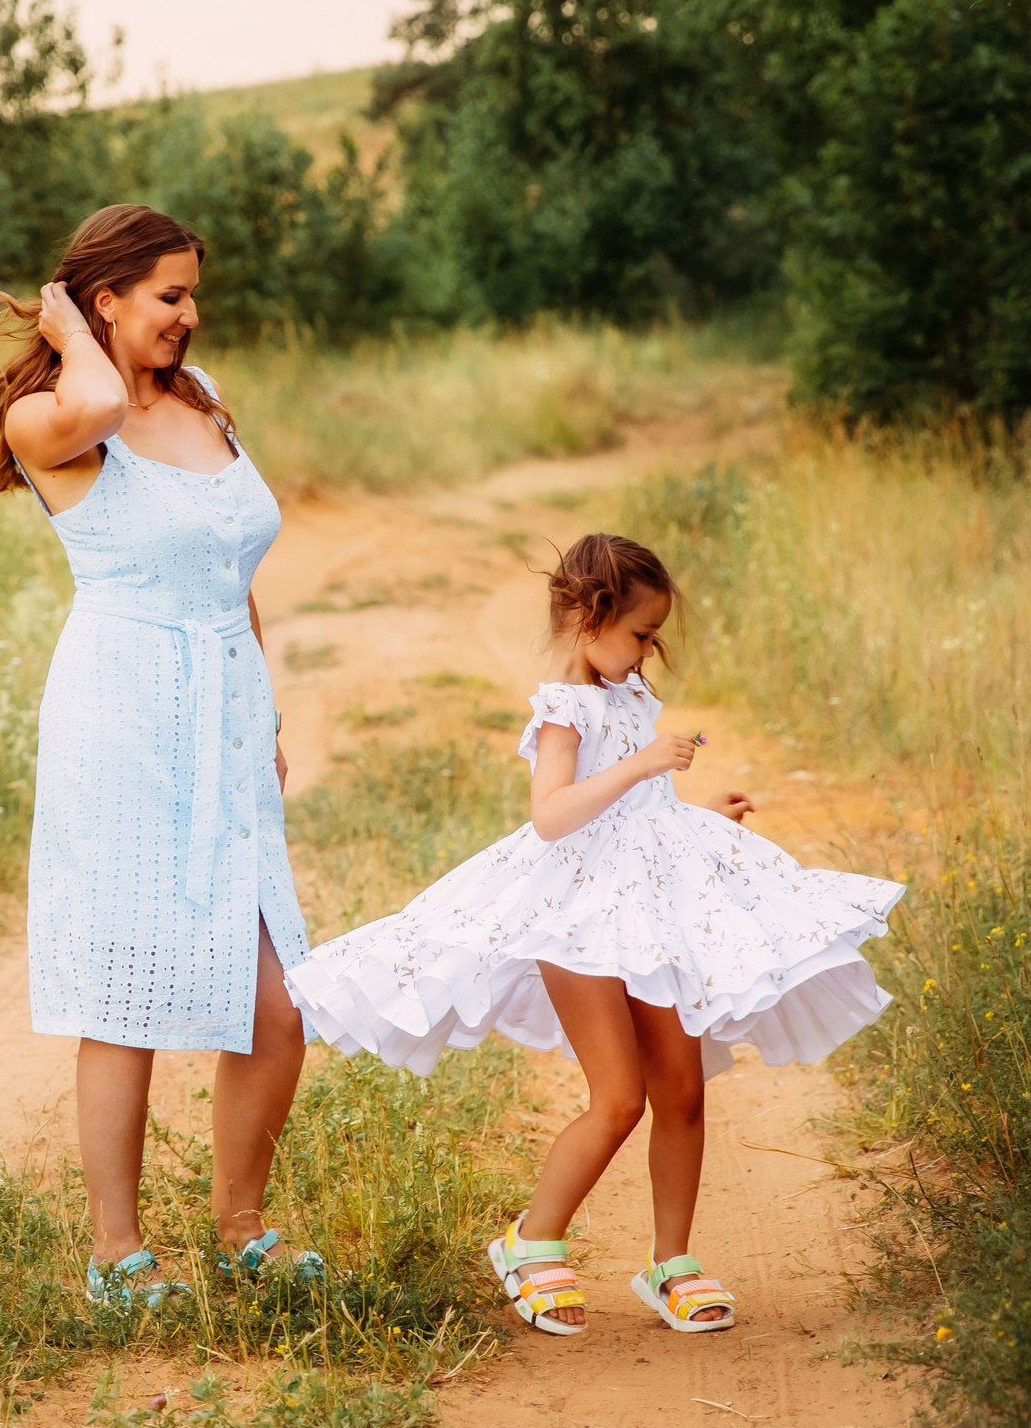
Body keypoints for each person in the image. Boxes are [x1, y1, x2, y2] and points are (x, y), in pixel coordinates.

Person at [282, 534, 903, 1335]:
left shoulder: (630, 696)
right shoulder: (563, 707)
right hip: (574, 918)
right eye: (641, 633)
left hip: (652, 910)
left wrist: (696, 813)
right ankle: (529, 1241)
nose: (648, 651)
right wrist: (643, 765)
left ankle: (669, 1261)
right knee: (619, 1097)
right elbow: (553, 815)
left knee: (682, 1090)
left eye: (653, 635)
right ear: (588, 617)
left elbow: (637, 818)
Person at [0, 203, 314, 1308]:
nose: (191, 315)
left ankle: (239, 1226)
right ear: (105, 298)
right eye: (168, 295)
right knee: (126, 990)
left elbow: (232, 567)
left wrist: (260, 716)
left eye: (192, 294)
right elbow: (103, 401)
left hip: (219, 704)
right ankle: (116, 1252)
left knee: (275, 1000)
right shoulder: (48, 420)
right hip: (120, 719)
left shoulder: (205, 400)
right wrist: (73, 339)